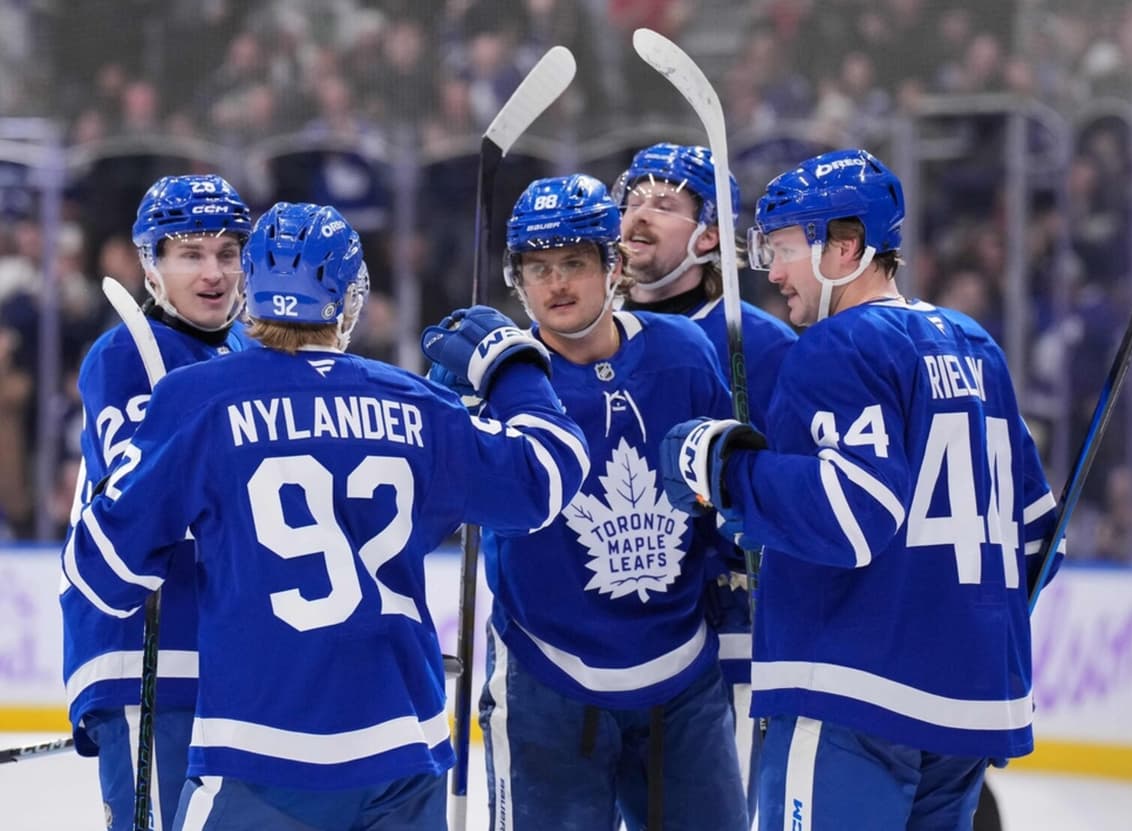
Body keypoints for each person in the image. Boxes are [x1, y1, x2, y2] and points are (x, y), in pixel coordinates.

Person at [62, 201, 589, 830]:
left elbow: (104, 574)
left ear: (252, 292)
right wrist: (513, 368)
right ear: (349, 300)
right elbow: (546, 476)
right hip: (405, 746)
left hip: (260, 748)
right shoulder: (415, 402)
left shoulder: (199, 400)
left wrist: (130, 473)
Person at [659, 149, 1063, 830]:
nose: (773, 272)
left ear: (845, 248)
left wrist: (722, 470)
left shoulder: (838, 345)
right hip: (970, 705)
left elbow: (851, 515)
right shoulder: (975, 346)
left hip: (853, 694)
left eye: (786, 248)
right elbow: (1039, 539)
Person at [454, 173, 747, 830]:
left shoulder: (683, 353)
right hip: (548, 681)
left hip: (681, 679)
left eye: (575, 263)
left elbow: (723, 494)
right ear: (517, 278)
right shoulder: (502, 380)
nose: (556, 283)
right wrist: (451, 412)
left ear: (614, 265)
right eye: (538, 267)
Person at [60, 173, 254, 831]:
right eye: (190, 254)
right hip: (146, 645)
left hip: (225, 651)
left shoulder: (241, 351)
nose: (213, 271)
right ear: (151, 264)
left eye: (227, 252)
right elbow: (139, 503)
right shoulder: (124, 354)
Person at [614, 141, 797, 810]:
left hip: (732, 643)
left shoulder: (761, 344)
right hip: (618, 638)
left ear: (710, 236)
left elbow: (792, 487)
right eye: (632, 199)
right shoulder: (587, 337)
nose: (639, 214)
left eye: (664, 204)